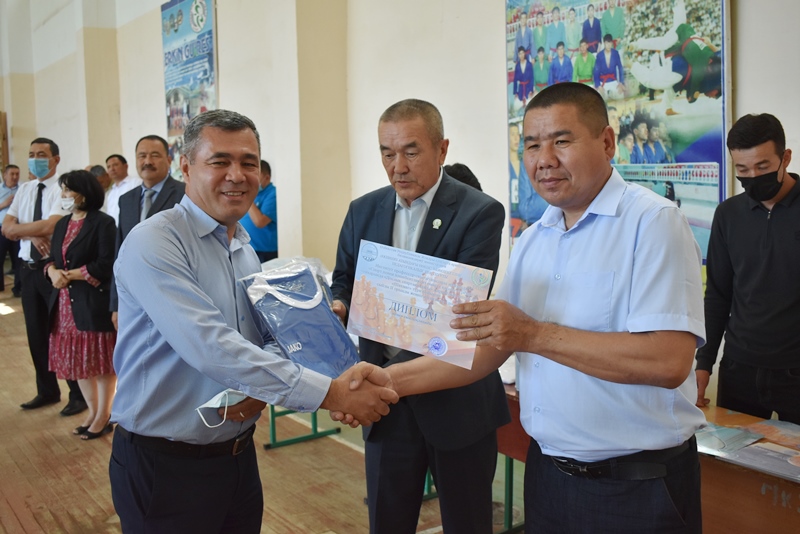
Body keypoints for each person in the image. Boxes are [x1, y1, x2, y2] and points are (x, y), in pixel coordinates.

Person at [343, 83, 707, 533]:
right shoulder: (535, 238)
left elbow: (668, 361)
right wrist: (386, 382)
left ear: (607, 142)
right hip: (549, 476)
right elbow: (484, 350)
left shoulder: (652, 223)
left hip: (635, 485)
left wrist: (532, 334)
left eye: (562, 141)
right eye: (532, 145)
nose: (544, 159)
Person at [109, 109, 397, 533]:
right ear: (185, 166)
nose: (237, 175)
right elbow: (211, 347)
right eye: (219, 161)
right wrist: (332, 393)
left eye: (248, 162)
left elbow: (264, 338)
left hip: (237, 459)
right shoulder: (156, 242)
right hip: (165, 467)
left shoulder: (242, 248)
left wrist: (308, 338)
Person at [330, 98, 509, 534]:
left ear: (442, 149)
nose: (398, 167)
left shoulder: (479, 212)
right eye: (387, 154)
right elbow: (345, 280)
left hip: (455, 403)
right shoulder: (362, 210)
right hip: (384, 408)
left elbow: (458, 315)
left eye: (411, 152)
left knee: (468, 523)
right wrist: (339, 306)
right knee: (387, 521)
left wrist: (379, 379)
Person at [695, 113, 800, 424]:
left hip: (795, 369)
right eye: (742, 170)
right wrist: (704, 362)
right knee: (737, 453)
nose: (752, 176)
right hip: (739, 368)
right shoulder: (728, 215)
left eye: (763, 167)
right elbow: (717, 294)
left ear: (785, 158)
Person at [2, 138, 87, 416]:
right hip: (28, 271)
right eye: (31, 154)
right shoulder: (25, 189)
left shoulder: (63, 189)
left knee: (63, 333)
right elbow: (6, 227)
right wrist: (31, 234)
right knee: (36, 333)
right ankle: (47, 390)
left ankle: (78, 395)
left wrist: (23, 231)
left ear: (55, 159)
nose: (35, 159)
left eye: (41, 154)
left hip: (54, 271)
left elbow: (53, 225)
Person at [45, 170, 117, 439]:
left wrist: (71, 275)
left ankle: (104, 415)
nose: (63, 195)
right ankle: (92, 411)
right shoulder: (62, 224)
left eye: (68, 190)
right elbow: (51, 259)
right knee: (79, 363)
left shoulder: (103, 223)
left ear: (84, 193)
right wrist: (53, 272)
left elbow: (107, 263)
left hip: (91, 302)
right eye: (62, 190)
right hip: (64, 305)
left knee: (100, 362)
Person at [110, 135, 185, 330]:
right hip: (133, 297)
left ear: (169, 159)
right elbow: (120, 252)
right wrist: (116, 304)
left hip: (174, 294)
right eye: (142, 156)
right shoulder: (126, 200)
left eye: (155, 155)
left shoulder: (185, 194)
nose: (147, 161)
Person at [239, 159, 278, 262]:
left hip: (265, 251)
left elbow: (260, 222)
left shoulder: (273, 194)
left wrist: (248, 197)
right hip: (247, 247)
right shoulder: (254, 193)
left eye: (256, 176)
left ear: (267, 178)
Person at [104, 154, 142, 225]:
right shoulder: (110, 192)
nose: (112, 169)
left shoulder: (136, 183)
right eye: (108, 167)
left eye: (115, 165)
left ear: (125, 166)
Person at [1, 164, 21, 296]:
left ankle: (19, 288)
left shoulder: (23, 189)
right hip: (1, 228)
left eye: (17, 174)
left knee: (18, 259)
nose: (14, 177)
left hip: (18, 228)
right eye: (12, 174)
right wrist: (4, 204)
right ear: (5, 175)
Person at [593, 34, 625, 98]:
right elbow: (596, 71)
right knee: (599, 97)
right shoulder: (599, 55)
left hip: (613, 80)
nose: (608, 45)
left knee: (620, 95)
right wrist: (598, 85)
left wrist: (621, 83)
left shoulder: (615, 53)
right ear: (604, 43)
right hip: (602, 82)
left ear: (612, 43)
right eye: (606, 43)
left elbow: (620, 68)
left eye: (610, 43)